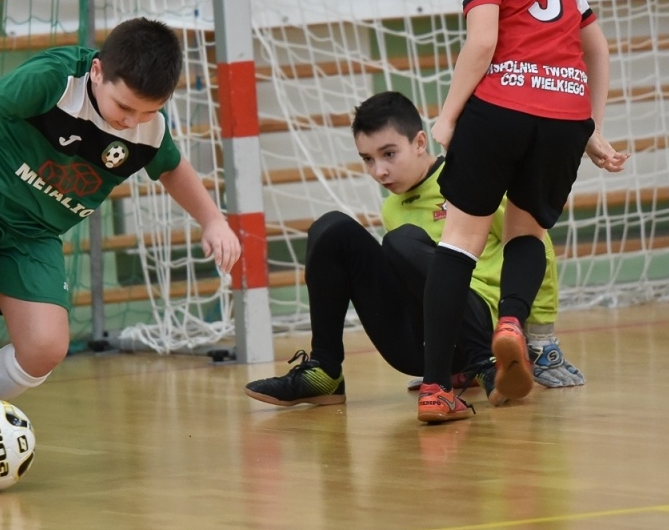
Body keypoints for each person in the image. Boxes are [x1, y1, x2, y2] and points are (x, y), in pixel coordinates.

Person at [0, 17, 240, 496]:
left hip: (34, 231)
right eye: (123, 107)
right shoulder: (56, 80)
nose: (129, 122)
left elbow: (174, 169)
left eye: (146, 112)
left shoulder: (146, 129)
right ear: (97, 72)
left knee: (44, 348)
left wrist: (214, 220)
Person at [408, 0, 628, 424]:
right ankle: (513, 323)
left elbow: (482, 42)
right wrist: (592, 130)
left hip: (503, 105)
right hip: (564, 115)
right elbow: (597, 49)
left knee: (460, 241)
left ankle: (436, 389)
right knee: (528, 230)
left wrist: (448, 116)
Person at [243, 91, 585, 408]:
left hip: (485, 328)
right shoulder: (392, 209)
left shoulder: (471, 182)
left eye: (389, 154)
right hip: (423, 344)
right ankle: (325, 370)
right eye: (368, 159)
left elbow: (535, 248)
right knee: (332, 229)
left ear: (420, 142)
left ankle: (486, 364)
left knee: (401, 242)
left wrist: (540, 337)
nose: (379, 171)